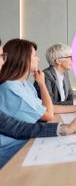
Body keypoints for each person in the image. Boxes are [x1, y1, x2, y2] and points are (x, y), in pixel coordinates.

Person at [0, 38, 56, 167]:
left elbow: (44, 110)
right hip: (12, 149)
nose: (38, 59)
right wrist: (42, 84)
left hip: (23, 141)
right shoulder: (9, 88)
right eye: (35, 55)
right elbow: (48, 114)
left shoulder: (25, 85)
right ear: (23, 58)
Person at [34, 43, 76, 113]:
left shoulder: (65, 73)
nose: (72, 60)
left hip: (62, 112)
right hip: (50, 115)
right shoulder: (46, 75)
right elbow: (49, 104)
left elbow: (70, 94)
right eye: (70, 57)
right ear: (58, 61)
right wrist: (75, 103)